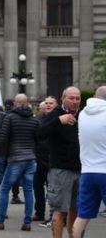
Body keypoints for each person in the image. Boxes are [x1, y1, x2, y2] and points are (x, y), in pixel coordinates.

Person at [0, 94, 39, 231]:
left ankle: (0, 221)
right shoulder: (34, 119)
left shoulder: (10, 117)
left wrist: (5, 155)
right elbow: (37, 139)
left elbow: (3, 139)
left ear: (15, 103)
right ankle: (27, 222)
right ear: (27, 103)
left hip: (15, 158)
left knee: (4, 189)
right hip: (31, 159)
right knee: (28, 190)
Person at [38, 86, 82, 238]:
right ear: (63, 99)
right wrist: (58, 121)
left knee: (76, 210)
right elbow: (39, 133)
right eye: (71, 98)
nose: (75, 101)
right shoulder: (55, 114)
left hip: (81, 169)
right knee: (60, 210)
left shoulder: (83, 115)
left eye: (78, 98)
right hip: (60, 169)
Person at [72, 86, 106, 238]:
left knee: (83, 215)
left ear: (94, 96)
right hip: (104, 170)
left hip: (87, 171)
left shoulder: (83, 114)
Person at [34, 96, 57, 224]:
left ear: (56, 105)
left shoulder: (59, 118)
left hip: (53, 160)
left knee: (52, 190)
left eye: (51, 103)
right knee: (37, 186)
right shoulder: (38, 119)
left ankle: (53, 215)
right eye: (46, 103)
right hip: (38, 158)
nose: (48, 105)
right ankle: (39, 212)